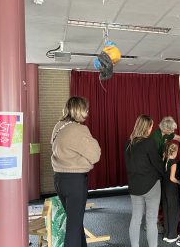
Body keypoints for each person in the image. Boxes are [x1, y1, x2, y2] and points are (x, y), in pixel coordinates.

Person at [51, 96, 101, 247]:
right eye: (86, 109)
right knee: (74, 226)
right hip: (75, 182)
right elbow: (96, 154)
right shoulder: (79, 129)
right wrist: (84, 162)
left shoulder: (58, 126)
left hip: (59, 179)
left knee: (75, 222)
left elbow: (59, 151)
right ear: (79, 110)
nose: (87, 112)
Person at [125, 115, 164, 247]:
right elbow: (158, 164)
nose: (151, 129)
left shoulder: (128, 144)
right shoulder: (149, 143)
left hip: (134, 186)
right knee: (151, 220)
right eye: (151, 126)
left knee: (136, 219)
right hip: (151, 185)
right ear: (147, 127)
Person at [162, 143, 180, 243]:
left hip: (164, 189)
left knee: (166, 211)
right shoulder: (173, 162)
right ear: (175, 151)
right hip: (171, 189)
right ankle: (172, 235)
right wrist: (179, 182)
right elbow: (172, 178)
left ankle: (166, 234)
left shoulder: (164, 160)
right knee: (173, 211)